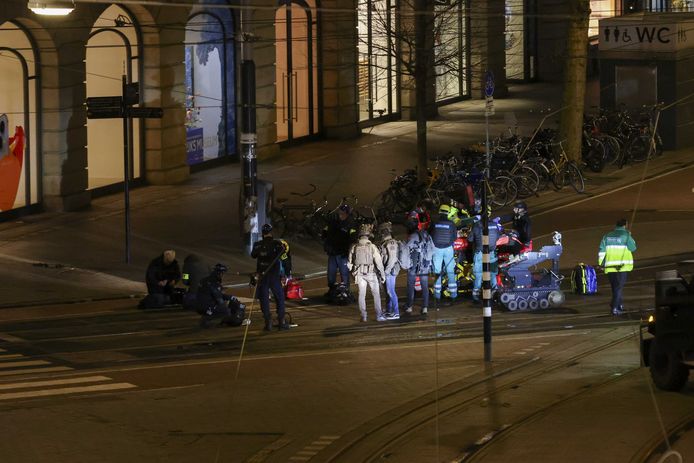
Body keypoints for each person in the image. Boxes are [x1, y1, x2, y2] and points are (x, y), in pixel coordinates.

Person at [252, 223, 291, 331]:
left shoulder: (257, 245)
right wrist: (287, 273)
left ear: (262, 233)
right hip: (274, 275)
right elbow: (284, 257)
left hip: (262, 275)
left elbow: (253, 255)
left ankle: (268, 322)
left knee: (264, 299)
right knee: (280, 298)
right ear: (271, 232)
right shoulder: (277, 244)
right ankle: (281, 321)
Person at [348, 224, 386, 322]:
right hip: (371, 273)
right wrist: (382, 275)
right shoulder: (372, 247)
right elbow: (379, 262)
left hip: (359, 274)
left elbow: (349, 263)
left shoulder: (354, 247)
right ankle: (378, 315)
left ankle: (363, 316)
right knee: (376, 294)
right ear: (368, 235)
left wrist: (353, 273)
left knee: (361, 295)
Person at [598, 218, 637, 315]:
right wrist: (630, 237)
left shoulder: (607, 236)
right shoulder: (626, 235)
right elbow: (633, 248)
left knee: (615, 288)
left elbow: (601, 251)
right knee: (618, 288)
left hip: (610, 267)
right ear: (625, 225)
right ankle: (614, 308)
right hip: (621, 267)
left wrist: (601, 264)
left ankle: (619, 305)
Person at [322, 204, 356, 298]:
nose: (341, 215)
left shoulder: (351, 224)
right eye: (340, 213)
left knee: (344, 274)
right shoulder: (333, 222)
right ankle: (332, 291)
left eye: (343, 214)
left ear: (347, 214)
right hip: (332, 253)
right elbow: (325, 232)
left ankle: (346, 291)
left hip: (343, 254)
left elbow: (353, 238)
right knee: (331, 274)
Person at [197, 263, 245, 328]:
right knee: (226, 311)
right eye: (222, 273)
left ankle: (208, 317)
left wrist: (229, 297)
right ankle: (208, 320)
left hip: (200, 304)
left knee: (225, 305)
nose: (223, 275)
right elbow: (219, 299)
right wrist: (226, 309)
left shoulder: (206, 279)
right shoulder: (214, 283)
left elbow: (216, 294)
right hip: (207, 306)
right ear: (219, 273)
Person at [405, 220, 435, 315]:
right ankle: (425, 307)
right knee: (425, 287)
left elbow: (406, 248)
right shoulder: (426, 235)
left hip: (414, 265)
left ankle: (409, 306)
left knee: (410, 286)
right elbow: (433, 249)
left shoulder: (412, 236)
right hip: (424, 265)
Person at [430, 204, 458, 302]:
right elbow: (455, 237)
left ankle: (437, 295)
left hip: (437, 249)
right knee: (450, 271)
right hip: (448, 249)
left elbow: (431, 235)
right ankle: (453, 295)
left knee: (437, 271)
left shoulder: (434, 223)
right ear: (448, 212)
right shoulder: (451, 224)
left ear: (439, 211)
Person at [470, 214, 500, 302]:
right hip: (491, 252)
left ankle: (476, 294)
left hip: (480, 252)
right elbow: (497, 237)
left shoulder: (477, 225)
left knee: (479, 274)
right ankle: (495, 292)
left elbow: (470, 239)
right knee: (492, 273)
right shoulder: (494, 225)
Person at [378, 222, 402, 320]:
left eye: (381, 233)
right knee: (388, 292)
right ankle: (389, 311)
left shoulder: (391, 243)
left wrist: (386, 272)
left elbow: (392, 259)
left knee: (390, 291)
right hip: (387, 270)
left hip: (390, 271)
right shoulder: (385, 243)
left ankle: (396, 313)